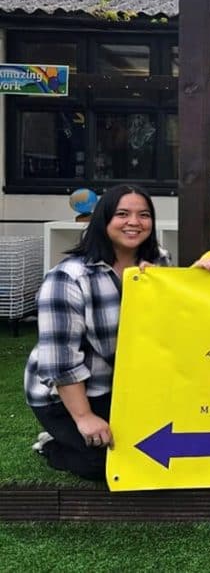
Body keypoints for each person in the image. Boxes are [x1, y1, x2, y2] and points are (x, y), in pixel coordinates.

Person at [25, 185, 170, 481]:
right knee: (100, 463)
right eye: (122, 214)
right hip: (67, 393)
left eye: (144, 215)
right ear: (103, 220)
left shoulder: (159, 263)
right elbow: (61, 362)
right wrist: (84, 417)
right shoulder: (68, 277)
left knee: (152, 457)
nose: (134, 222)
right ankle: (52, 444)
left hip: (123, 388)